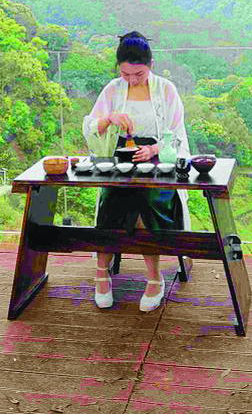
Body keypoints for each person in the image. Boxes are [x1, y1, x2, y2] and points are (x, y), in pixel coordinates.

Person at [82, 32, 191, 311]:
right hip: (120, 163)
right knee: (111, 201)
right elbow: (91, 127)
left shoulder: (166, 90)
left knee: (148, 201)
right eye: (126, 74)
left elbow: (177, 135)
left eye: (139, 74)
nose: (132, 80)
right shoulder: (112, 90)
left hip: (158, 165)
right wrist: (109, 119)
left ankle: (154, 278)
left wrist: (153, 149)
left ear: (151, 65)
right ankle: (101, 274)